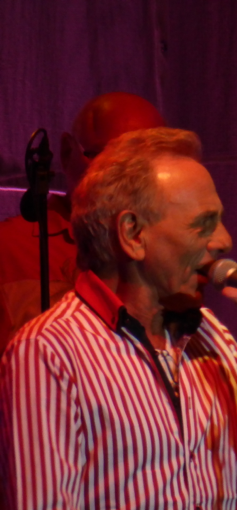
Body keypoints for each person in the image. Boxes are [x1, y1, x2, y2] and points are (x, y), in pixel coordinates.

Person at [0, 127, 237, 510]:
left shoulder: (208, 336)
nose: (225, 241)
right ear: (133, 234)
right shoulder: (48, 352)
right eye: (204, 224)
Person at [0, 92, 165, 351]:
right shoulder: (8, 250)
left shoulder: (167, 248)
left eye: (146, 164)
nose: (129, 178)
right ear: (67, 153)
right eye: (110, 159)